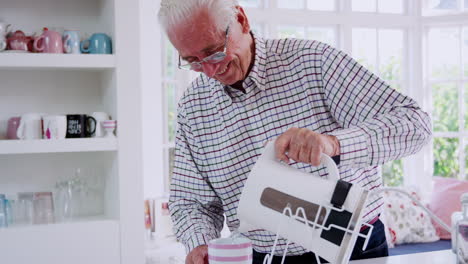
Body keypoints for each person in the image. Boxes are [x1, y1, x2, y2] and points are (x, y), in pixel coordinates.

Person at [158, 1, 432, 263]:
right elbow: (191, 200)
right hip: (261, 256)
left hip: (353, 248)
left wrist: (333, 144)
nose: (209, 70)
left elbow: (415, 125)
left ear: (241, 19)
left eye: (215, 51)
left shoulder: (315, 63)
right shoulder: (193, 108)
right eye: (193, 61)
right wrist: (199, 243)